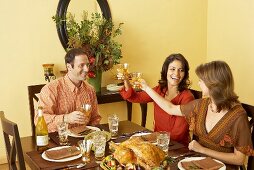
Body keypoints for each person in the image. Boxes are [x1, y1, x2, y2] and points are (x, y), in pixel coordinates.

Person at [141, 60, 254, 167]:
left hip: (222, 166)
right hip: (196, 162)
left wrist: (202, 150)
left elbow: (239, 159)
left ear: (213, 84)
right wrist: (146, 88)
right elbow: (170, 108)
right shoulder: (201, 104)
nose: (199, 83)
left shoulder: (238, 116)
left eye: (202, 80)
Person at [120, 54, 195, 145]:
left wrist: (149, 138)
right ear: (165, 70)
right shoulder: (159, 90)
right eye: (172, 69)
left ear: (185, 74)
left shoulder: (187, 97)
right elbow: (135, 97)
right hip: (157, 142)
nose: (176, 74)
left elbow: (177, 135)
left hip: (177, 147)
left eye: (181, 70)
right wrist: (126, 80)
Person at [34, 48, 101, 132]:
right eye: (81, 65)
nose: (87, 69)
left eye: (87, 65)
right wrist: (66, 118)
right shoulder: (51, 89)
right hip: (59, 140)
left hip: (84, 140)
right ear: (69, 67)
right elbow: (39, 120)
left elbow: (95, 118)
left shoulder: (90, 89)